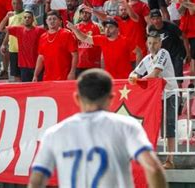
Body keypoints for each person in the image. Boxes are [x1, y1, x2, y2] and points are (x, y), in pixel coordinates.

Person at [28, 68, 167, 188]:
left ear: (77, 98)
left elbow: (36, 180)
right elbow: (153, 167)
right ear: (111, 98)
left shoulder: (54, 133)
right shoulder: (127, 126)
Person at [129, 31, 179, 169]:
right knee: (152, 126)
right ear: (146, 43)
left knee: (169, 127)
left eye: (155, 42)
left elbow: (154, 73)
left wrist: (137, 79)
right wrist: (134, 76)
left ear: (160, 43)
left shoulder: (164, 53)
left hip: (170, 94)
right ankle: (152, 159)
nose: (152, 46)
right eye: (150, 43)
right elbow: (134, 73)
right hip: (156, 97)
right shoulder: (146, 58)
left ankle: (170, 160)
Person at [67, 18, 141, 79]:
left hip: (125, 78)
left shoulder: (125, 41)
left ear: (117, 29)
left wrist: (136, 72)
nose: (107, 29)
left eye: (110, 27)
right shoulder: (102, 39)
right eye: (106, 27)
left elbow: (139, 52)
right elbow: (84, 38)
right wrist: (74, 29)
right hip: (110, 79)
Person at [33, 11, 78, 81]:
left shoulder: (67, 34)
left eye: (54, 19)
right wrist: (35, 75)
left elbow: (75, 55)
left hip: (64, 77)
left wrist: (72, 72)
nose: (52, 21)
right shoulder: (43, 37)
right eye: (50, 19)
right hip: (47, 78)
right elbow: (41, 57)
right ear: (46, 21)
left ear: (60, 21)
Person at [2, 9, 45, 82]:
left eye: (29, 17)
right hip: (24, 66)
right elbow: (1, 28)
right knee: (27, 89)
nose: (27, 19)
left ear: (33, 19)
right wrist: (6, 17)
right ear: (23, 19)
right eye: (25, 17)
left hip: (37, 65)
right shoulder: (18, 29)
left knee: (39, 88)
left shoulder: (39, 30)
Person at [148, 9, 186, 80]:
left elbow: (183, 37)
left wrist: (188, 53)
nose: (156, 21)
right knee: (164, 76)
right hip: (163, 55)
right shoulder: (151, 29)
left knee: (178, 77)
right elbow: (151, 42)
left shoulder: (171, 26)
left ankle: (179, 91)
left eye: (158, 18)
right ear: (151, 20)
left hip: (176, 54)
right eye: (153, 19)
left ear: (161, 17)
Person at [74, 5, 102, 76]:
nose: (84, 14)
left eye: (87, 12)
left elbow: (102, 45)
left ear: (91, 14)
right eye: (82, 12)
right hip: (79, 64)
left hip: (94, 64)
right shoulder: (75, 28)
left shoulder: (98, 27)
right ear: (80, 14)